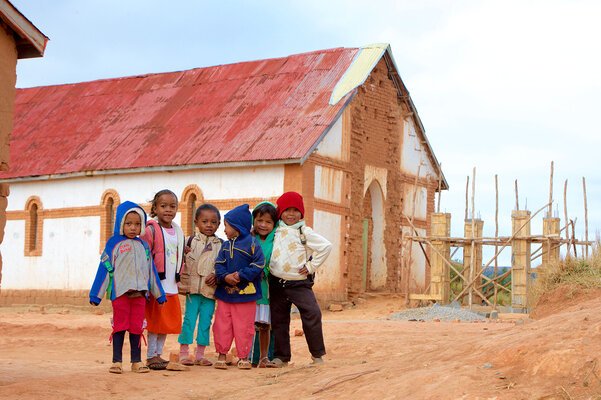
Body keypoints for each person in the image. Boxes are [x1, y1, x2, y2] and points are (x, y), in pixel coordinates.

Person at [89, 201, 166, 374]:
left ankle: (136, 361)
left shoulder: (143, 246)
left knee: (137, 327)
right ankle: (117, 361)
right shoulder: (114, 244)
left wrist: (159, 294)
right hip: (120, 294)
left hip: (140, 296)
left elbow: (151, 271)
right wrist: (96, 295)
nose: (133, 227)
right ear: (120, 223)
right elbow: (104, 268)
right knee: (120, 326)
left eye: (137, 224)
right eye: (129, 223)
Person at [267, 191, 332, 368]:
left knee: (312, 313)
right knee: (279, 320)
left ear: (301, 213)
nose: (291, 214)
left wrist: (311, 267)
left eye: (296, 210)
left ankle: (317, 355)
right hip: (276, 283)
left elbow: (326, 247)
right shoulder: (275, 229)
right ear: (280, 212)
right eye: (287, 209)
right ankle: (281, 357)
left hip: (299, 284)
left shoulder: (305, 231)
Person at [212, 204, 265, 370]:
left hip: (246, 296)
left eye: (226, 226)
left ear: (237, 227)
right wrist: (225, 277)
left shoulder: (253, 244)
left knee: (244, 326)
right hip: (225, 295)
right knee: (222, 325)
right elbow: (219, 265)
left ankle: (244, 357)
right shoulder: (225, 246)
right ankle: (222, 354)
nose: (224, 230)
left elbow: (259, 264)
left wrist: (241, 275)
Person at [140, 189, 185, 370]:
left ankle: (159, 354)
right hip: (157, 284)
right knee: (155, 322)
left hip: (172, 285)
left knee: (165, 323)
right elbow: (144, 255)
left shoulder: (177, 230)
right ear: (155, 208)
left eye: (172, 206)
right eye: (163, 206)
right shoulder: (150, 230)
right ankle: (151, 356)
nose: (168, 210)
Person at [177, 203, 222, 366]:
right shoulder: (188, 242)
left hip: (209, 291)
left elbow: (223, 265)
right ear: (196, 222)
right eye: (205, 221)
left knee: (205, 321)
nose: (209, 225)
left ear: (219, 224)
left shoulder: (221, 245)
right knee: (189, 320)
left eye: (213, 222)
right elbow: (177, 261)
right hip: (192, 290)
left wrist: (217, 276)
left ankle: (200, 354)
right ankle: (183, 352)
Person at [249, 201, 277, 367]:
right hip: (250, 290)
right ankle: (248, 357)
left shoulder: (276, 241)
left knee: (265, 325)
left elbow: (276, 261)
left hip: (266, 290)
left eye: (268, 222)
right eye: (259, 221)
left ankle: (265, 357)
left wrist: (264, 271)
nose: (263, 225)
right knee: (250, 325)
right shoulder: (249, 239)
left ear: (274, 223)